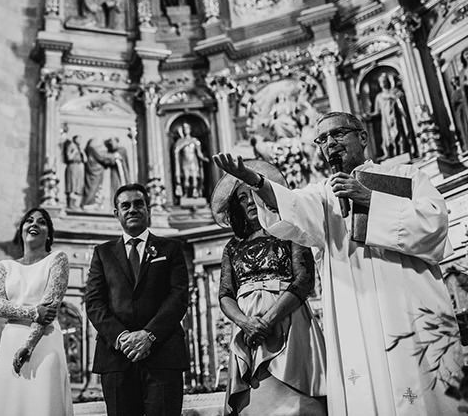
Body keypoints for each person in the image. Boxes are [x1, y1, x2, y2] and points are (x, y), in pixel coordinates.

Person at [213, 111, 467, 415]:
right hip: (355, 313)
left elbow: (435, 227)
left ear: (362, 136)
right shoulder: (323, 194)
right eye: (322, 139)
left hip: (408, 305)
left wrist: (370, 198)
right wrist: (255, 180)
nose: (330, 143)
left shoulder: (407, 176)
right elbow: (289, 208)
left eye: (338, 134)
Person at [210, 160, 326, 415]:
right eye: (242, 198)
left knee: (298, 404)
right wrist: (246, 323)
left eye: (253, 193)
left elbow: (304, 281)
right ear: (236, 207)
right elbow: (226, 294)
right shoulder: (233, 246)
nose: (250, 201)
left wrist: (269, 320)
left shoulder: (289, 230)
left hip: (290, 323)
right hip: (248, 331)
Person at [83, 183, 191, 416]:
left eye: (138, 204)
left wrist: (149, 335)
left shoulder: (170, 248)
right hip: (116, 357)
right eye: (125, 205)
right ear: (116, 213)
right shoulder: (103, 253)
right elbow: (94, 302)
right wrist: (121, 337)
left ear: (148, 209)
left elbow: (179, 296)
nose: (132, 209)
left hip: (162, 354)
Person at [0, 208, 71, 416]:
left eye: (42, 222)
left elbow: (50, 306)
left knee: (42, 404)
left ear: (49, 234)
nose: (34, 224)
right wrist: (34, 312)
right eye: (29, 221)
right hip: (10, 341)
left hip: (45, 340)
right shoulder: (6, 266)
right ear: (22, 229)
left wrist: (29, 345)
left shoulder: (57, 259)